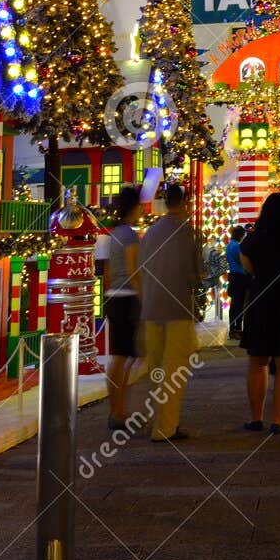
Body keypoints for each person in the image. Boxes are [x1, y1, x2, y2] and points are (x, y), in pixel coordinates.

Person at [137, 182, 203, 442]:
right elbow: (196, 274)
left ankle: (158, 421)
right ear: (185, 203)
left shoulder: (151, 232)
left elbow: (141, 268)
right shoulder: (188, 232)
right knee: (174, 370)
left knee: (156, 368)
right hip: (177, 307)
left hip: (151, 308)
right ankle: (165, 427)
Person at [238, 195, 280, 433]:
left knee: (257, 362)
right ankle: (278, 419)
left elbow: (247, 265)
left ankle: (256, 418)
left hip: (260, 301)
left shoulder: (255, 237)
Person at [93, 186, 143, 433]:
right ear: (134, 208)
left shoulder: (113, 234)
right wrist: (144, 297)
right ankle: (119, 411)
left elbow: (110, 271)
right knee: (125, 356)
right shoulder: (130, 236)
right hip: (128, 298)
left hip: (113, 296)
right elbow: (135, 271)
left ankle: (118, 409)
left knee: (119, 355)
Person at [225, 225, 250, 339]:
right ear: (241, 235)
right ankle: (238, 329)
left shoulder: (229, 245)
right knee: (239, 304)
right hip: (240, 277)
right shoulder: (237, 246)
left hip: (232, 276)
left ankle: (231, 329)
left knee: (233, 304)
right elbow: (242, 261)